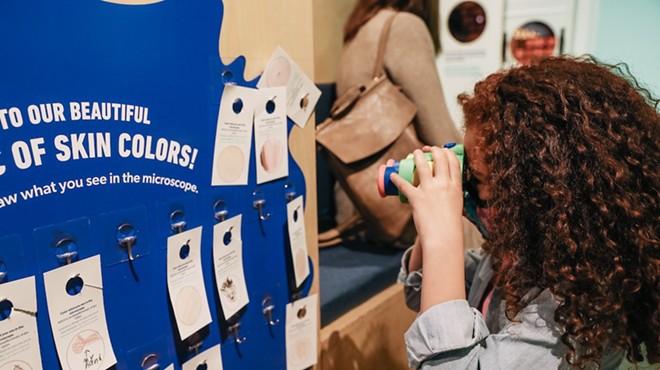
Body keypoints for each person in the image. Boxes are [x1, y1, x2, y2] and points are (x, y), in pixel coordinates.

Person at [392, 56, 659, 369]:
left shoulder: (576, 308)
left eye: (478, 179)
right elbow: (420, 292)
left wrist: (443, 233)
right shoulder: (517, 258)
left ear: (538, 195)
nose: (473, 192)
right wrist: (432, 219)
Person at [333, 0, 474, 245]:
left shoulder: (359, 27)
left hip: (354, 209)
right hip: (395, 206)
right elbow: (440, 134)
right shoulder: (403, 26)